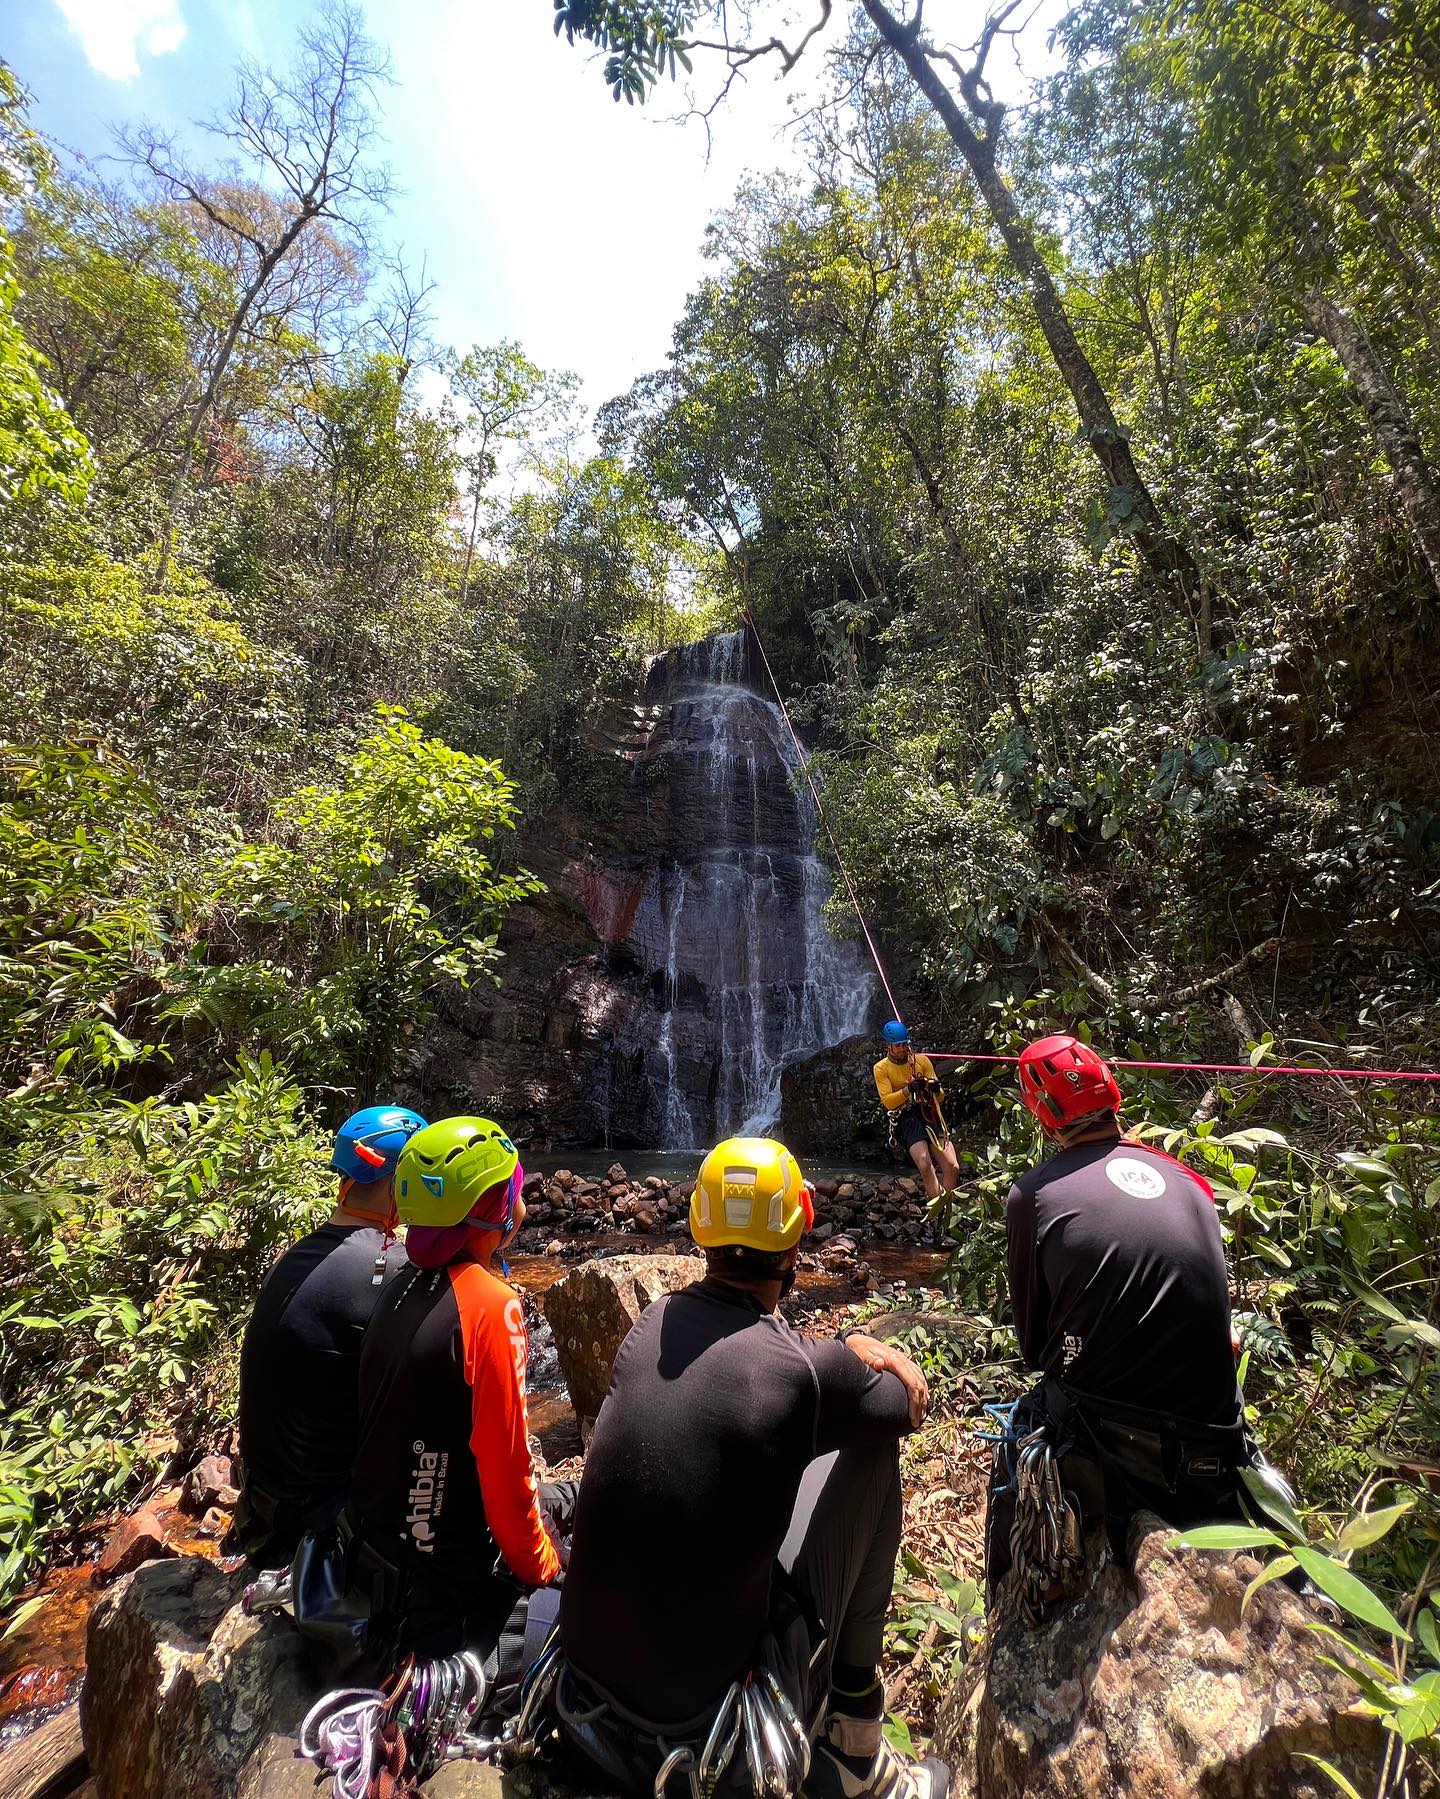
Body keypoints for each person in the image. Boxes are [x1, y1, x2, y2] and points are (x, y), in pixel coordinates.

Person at [554, 1136, 950, 1799]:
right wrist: (860, 1347)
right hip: (703, 1737)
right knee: (872, 1446)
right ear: (799, 1231)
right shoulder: (803, 1371)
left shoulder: (650, 1323)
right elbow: (906, 1407)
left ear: (699, 1223)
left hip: (586, 1709)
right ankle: (855, 1744)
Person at [985, 1033, 1249, 1614]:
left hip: (1119, 1439)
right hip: (1218, 1432)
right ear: (1113, 1097)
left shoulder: (1034, 1195)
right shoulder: (1189, 1181)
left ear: (1042, 1116)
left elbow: (1036, 1347)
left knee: (1019, 1437)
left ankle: (1008, 1604)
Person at [342, 1115, 572, 1674]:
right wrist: (545, 1569)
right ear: (495, 1208)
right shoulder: (489, 1307)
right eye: (514, 1186)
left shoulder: (399, 1282)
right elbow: (506, 1468)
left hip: (373, 1564)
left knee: (571, 1497)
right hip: (440, 1601)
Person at [234, 1103, 426, 1568]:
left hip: (263, 1508)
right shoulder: (394, 1272)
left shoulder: (292, 1258)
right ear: (403, 1181)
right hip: (323, 1528)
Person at [872, 1020, 960, 1216]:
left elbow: (941, 1096)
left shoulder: (921, 1061)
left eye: (905, 1044)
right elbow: (888, 1101)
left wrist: (935, 1089)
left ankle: (947, 1207)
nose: (903, 1048)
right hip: (907, 1118)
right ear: (888, 1046)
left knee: (952, 1166)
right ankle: (939, 1208)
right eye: (898, 1045)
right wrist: (908, 1089)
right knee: (924, 1163)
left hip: (928, 1112)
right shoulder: (881, 1068)